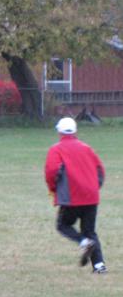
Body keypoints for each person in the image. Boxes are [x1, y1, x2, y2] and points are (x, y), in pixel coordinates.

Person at [45, 117, 107, 273]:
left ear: (59, 132)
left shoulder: (56, 149)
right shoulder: (87, 148)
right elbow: (100, 170)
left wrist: (54, 189)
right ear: (75, 131)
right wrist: (94, 188)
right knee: (90, 231)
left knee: (62, 225)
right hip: (91, 196)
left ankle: (84, 242)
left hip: (71, 197)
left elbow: (51, 171)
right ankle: (99, 266)